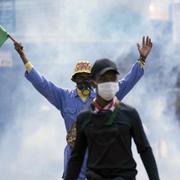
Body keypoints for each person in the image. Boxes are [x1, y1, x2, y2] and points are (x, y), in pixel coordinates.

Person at [14, 36, 153, 180]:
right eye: (79, 77)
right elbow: (42, 84)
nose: (83, 80)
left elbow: (126, 83)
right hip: (74, 158)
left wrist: (141, 60)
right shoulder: (64, 97)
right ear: (74, 80)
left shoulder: (104, 96)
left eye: (86, 76)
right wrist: (24, 57)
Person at [65, 58, 160, 180]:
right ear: (94, 82)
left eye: (113, 78)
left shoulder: (129, 114)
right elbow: (76, 158)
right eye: (104, 78)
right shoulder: (84, 118)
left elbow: (145, 150)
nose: (109, 83)